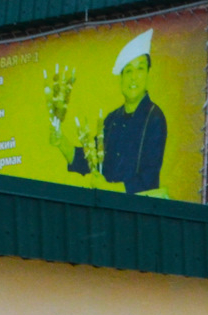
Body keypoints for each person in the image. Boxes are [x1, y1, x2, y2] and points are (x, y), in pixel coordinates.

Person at [50, 29, 168, 197]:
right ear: (121, 78)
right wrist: (60, 140)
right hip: (109, 209)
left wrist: (110, 189)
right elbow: (89, 160)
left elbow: (148, 178)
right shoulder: (112, 119)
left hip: (140, 211)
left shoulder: (154, 118)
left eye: (140, 69)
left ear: (148, 73)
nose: (134, 77)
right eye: (128, 71)